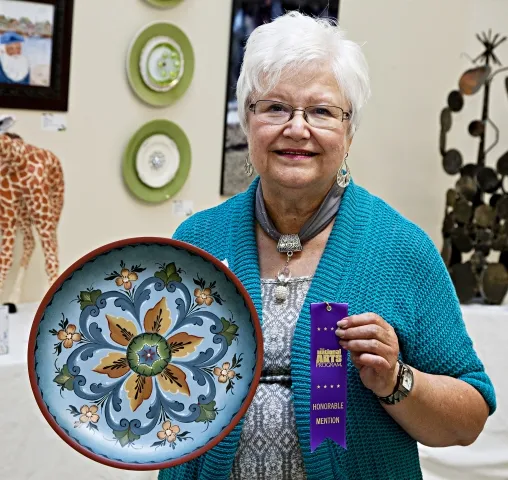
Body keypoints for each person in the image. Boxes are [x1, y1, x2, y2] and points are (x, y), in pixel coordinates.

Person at [159, 11, 496, 480]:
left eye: (320, 111)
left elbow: (469, 417)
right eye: (274, 107)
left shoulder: (400, 248)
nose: (296, 129)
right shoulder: (197, 241)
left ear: (349, 131)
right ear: (247, 121)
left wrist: (395, 379)